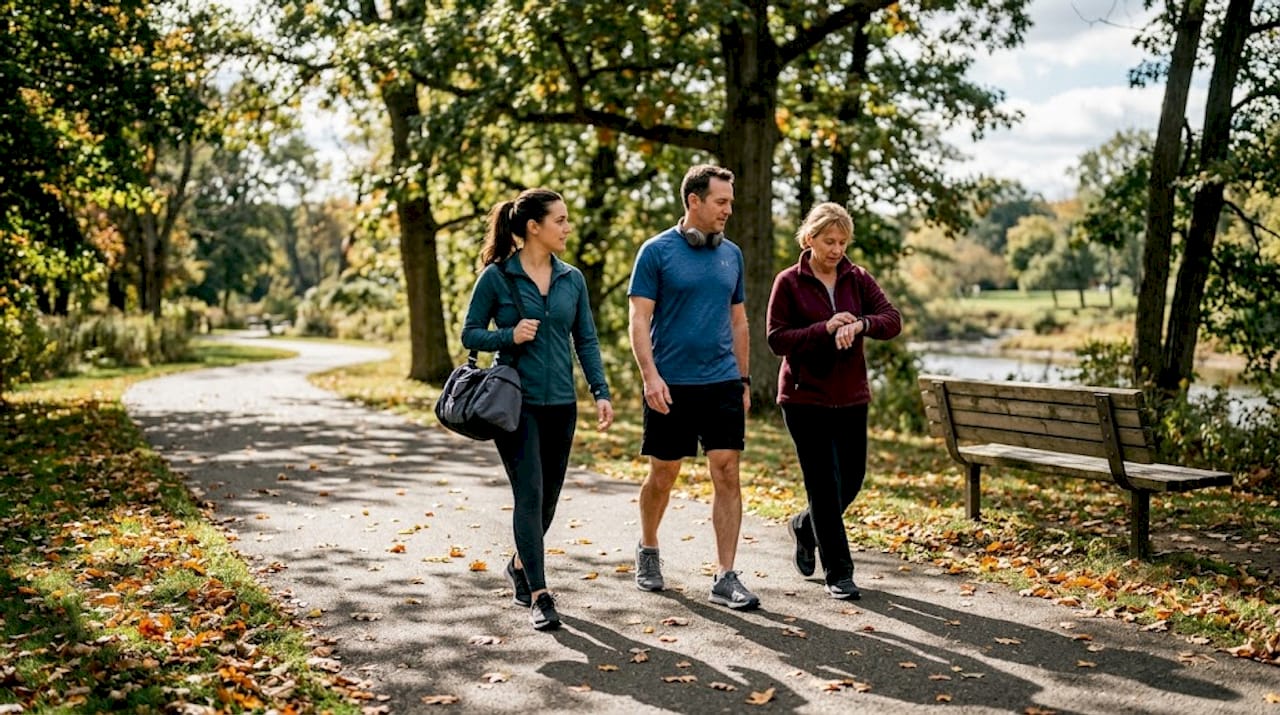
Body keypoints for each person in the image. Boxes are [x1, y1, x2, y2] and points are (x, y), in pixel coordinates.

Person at [461, 188, 614, 631]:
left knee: (547, 500)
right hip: (514, 403)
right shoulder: (497, 277)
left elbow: (585, 339)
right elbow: (471, 334)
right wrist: (508, 336)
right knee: (528, 493)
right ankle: (541, 595)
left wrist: (599, 390)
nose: (567, 228)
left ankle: (518, 564)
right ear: (534, 227)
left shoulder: (572, 279)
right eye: (560, 220)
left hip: (562, 403)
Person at [627, 164, 760, 611]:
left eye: (731, 203)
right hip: (671, 385)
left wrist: (742, 379)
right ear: (694, 201)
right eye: (721, 202)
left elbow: (739, 321)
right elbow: (639, 320)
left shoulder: (732, 255)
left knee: (726, 471)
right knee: (663, 475)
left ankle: (726, 575)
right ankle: (648, 549)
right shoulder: (656, 252)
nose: (728, 211)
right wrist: (650, 376)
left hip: (721, 381)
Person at [766, 202, 901, 600]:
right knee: (824, 486)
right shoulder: (788, 282)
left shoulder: (857, 279)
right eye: (829, 241)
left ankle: (805, 527)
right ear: (809, 239)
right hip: (804, 398)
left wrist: (861, 324)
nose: (837, 249)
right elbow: (777, 339)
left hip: (851, 396)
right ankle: (839, 573)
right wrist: (823, 329)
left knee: (852, 479)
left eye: (843, 242)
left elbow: (891, 319)